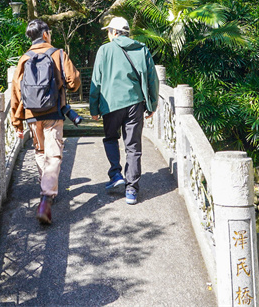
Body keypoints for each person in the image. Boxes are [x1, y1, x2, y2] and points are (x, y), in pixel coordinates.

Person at [10, 19, 81, 224]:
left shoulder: (24, 59)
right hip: (53, 112)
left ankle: (46, 190)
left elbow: (16, 92)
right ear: (46, 34)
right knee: (54, 154)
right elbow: (74, 81)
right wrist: (67, 86)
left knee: (41, 152)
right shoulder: (58, 54)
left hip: (32, 114)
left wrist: (17, 123)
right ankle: (46, 197)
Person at [89, 16, 159, 205]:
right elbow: (152, 78)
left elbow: (96, 81)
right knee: (133, 146)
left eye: (109, 32)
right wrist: (152, 104)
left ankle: (116, 174)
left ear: (113, 32)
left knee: (111, 138)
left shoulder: (104, 50)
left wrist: (93, 108)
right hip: (135, 103)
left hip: (111, 105)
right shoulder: (142, 49)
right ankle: (131, 190)